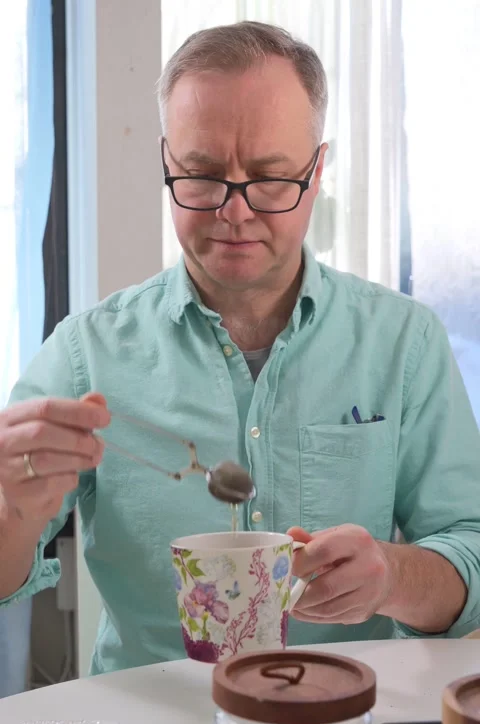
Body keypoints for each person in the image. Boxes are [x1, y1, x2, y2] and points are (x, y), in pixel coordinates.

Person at [1, 22, 479, 676]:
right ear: (167, 162)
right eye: (200, 177)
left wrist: (391, 575)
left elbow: (472, 553)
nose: (235, 211)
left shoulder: (404, 343)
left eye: (270, 178)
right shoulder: (86, 353)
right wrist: (11, 512)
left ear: (316, 172)